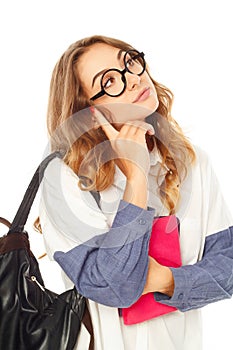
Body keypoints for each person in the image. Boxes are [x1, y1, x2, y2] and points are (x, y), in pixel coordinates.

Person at [37, 35, 233, 350]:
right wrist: (136, 177)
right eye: (110, 81)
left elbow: (228, 267)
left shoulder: (192, 162)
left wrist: (165, 281)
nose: (133, 79)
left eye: (130, 62)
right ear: (89, 110)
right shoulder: (64, 179)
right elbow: (115, 288)